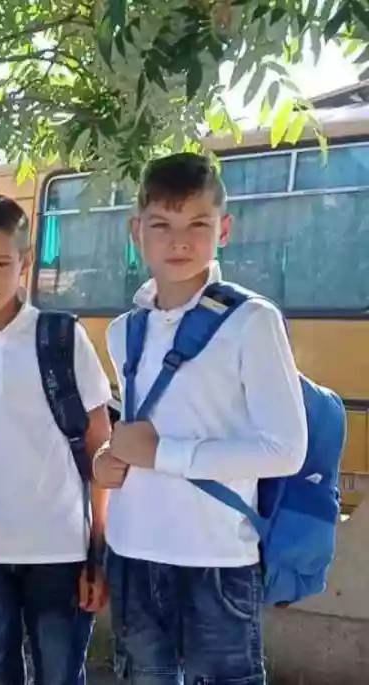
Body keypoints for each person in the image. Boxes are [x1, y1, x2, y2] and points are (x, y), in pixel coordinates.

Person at [100, 152, 307, 684]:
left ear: (224, 230)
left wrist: (163, 454)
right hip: (131, 549)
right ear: (136, 231)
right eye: (161, 226)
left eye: (198, 224)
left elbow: (285, 449)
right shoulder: (124, 330)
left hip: (215, 556)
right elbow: (142, 426)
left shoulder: (252, 321)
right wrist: (109, 457)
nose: (179, 241)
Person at [0, 195, 112, 685]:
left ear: (25, 264)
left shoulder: (61, 338)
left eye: (0, 264)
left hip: (61, 552)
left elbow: (100, 449)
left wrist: (98, 552)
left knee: (60, 677)